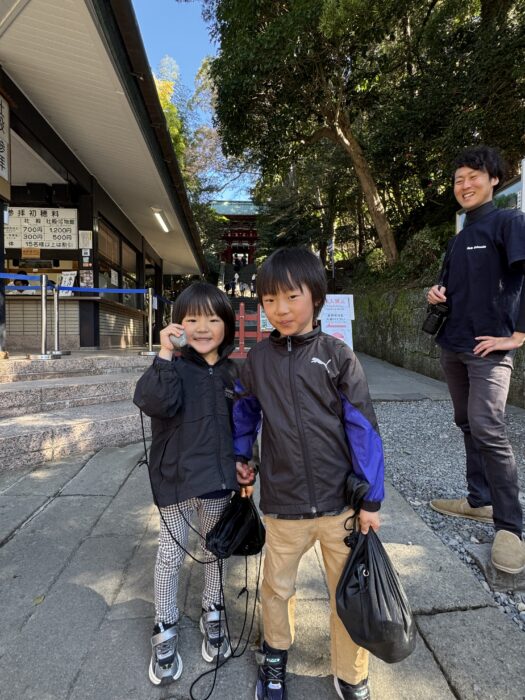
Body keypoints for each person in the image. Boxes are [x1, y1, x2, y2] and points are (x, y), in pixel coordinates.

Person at [233, 247, 385, 700]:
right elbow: (244, 413)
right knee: (276, 590)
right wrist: (242, 458)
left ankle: (351, 672)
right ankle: (275, 659)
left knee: (348, 593)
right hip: (283, 505)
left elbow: (363, 429)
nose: (280, 308)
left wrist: (371, 500)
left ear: (316, 297)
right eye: (269, 299)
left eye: (291, 296)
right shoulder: (257, 360)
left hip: (341, 506)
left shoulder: (338, 356)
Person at [133, 282, 240, 686]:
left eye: (213, 319)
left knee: (214, 551)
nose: (202, 327)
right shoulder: (172, 368)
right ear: (178, 324)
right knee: (169, 555)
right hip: (175, 482)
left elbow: (244, 426)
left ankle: (213, 609)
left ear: (227, 325)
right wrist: (163, 354)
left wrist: (246, 467)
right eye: (192, 319)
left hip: (217, 483)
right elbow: (153, 402)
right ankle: (165, 622)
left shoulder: (234, 372)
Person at [427, 145, 525, 574]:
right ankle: (478, 500)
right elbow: (449, 288)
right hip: (454, 343)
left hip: (489, 348)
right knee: (467, 422)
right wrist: (436, 293)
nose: (464, 185)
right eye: (458, 179)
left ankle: (511, 527)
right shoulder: (458, 237)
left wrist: (518, 335)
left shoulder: (509, 222)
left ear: (494, 179)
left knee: (488, 427)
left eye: (473, 177)